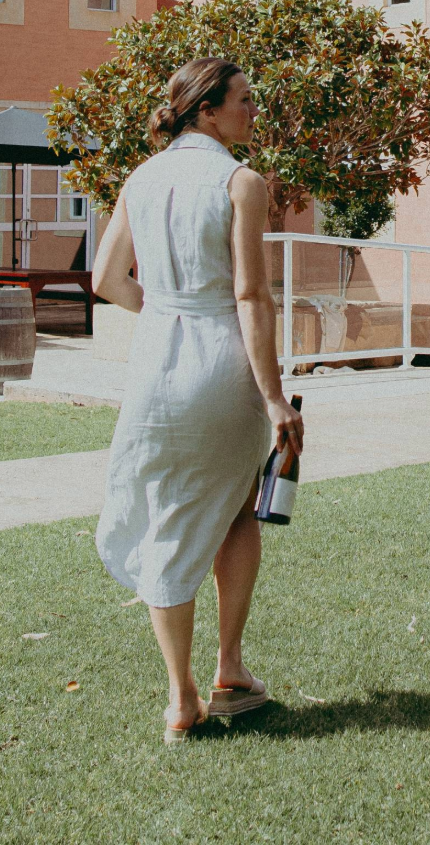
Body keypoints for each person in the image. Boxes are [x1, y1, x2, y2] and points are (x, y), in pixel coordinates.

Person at [92, 57, 304, 743]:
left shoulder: (141, 177)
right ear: (207, 110)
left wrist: (161, 309)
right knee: (238, 506)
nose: (252, 110)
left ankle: (183, 691)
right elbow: (250, 297)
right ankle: (228, 666)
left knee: (168, 518)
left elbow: (104, 278)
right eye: (243, 100)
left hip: (156, 357)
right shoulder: (241, 182)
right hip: (219, 361)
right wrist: (276, 401)